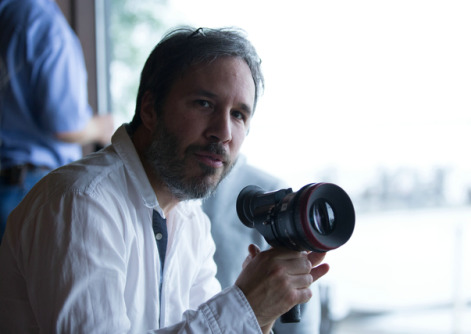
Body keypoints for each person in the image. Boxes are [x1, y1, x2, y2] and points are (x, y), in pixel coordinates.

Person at [0, 26, 329, 333]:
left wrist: (264, 305)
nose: (224, 132)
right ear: (149, 109)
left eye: (238, 114)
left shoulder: (191, 221)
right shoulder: (83, 202)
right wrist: (247, 307)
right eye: (204, 104)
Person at [0, 0, 114, 243]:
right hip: (27, 189)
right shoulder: (42, 22)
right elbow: (65, 125)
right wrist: (101, 127)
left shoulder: (9, 12)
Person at [203, 156, 323, 333]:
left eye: (241, 125)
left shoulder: (271, 194)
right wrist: (247, 309)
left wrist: (257, 318)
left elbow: (298, 322)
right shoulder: (180, 207)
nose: (225, 132)